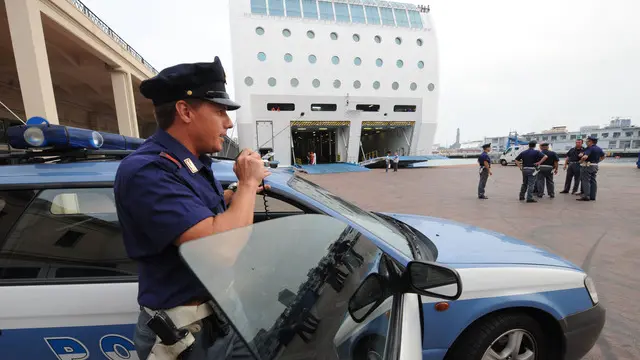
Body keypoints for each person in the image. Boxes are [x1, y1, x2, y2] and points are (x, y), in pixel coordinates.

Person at [114, 58, 269, 360]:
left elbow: (201, 214)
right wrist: (249, 184)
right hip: (185, 334)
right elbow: (220, 249)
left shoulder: (192, 162)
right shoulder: (148, 171)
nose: (229, 122)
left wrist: (234, 195)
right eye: (220, 111)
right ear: (185, 111)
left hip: (222, 313)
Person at [577, 136, 605, 201]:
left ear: (590, 141)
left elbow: (585, 157)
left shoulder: (590, 148)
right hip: (595, 165)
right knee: (593, 181)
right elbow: (603, 156)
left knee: (586, 181)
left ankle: (586, 196)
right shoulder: (599, 148)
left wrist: (580, 161)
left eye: (587, 141)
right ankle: (593, 196)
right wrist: (597, 161)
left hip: (587, 166)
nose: (586, 142)